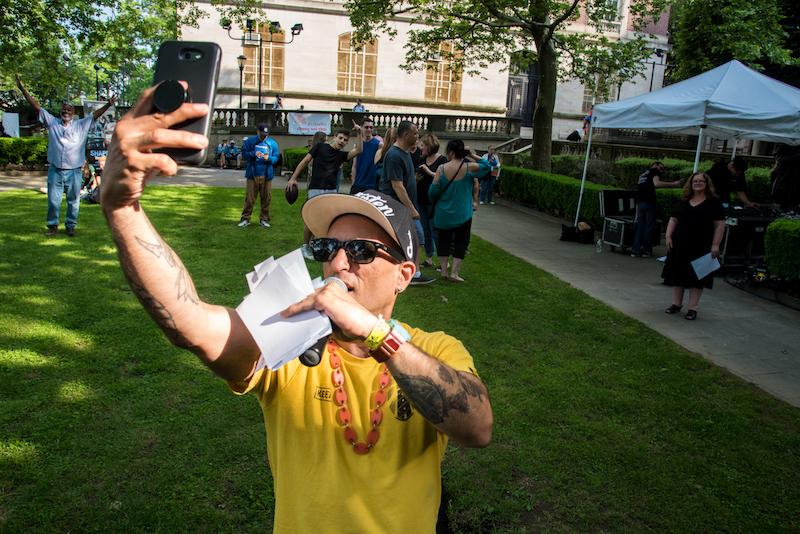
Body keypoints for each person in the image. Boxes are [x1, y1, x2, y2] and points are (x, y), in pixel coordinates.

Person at [98, 85, 493, 533]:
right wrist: (123, 209)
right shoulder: (290, 338)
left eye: (361, 251)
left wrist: (374, 333)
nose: (338, 262)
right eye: (329, 246)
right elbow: (191, 324)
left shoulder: (435, 349)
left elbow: (477, 428)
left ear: (403, 275)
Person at [16, 74, 116, 237]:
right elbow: (36, 106)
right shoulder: (52, 122)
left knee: (73, 201)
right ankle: (53, 226)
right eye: (64, 109)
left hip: (75, 171)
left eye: (69, 110)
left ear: (73, 112)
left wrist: (108, 105)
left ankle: (70, 226)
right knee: (53, 201)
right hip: (55, 170)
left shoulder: (81, 125)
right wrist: (22, 89)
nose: (66, 111)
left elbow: (96, 115)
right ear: (61, 111)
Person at [287, 122, 363, 255]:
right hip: (316, 188)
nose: (342, 141)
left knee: (327, 220)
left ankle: (320, 246)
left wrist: (359, 133)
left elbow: (359, 151)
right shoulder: (320, 147)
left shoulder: (341, 156)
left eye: (345, 140)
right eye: (340, 138)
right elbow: (304, 161)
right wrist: (293, 178)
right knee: (311, 219)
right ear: (334, 136)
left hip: (331, 190)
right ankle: (305, 247)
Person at [661, 172, 726, 321]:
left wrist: (716, 245)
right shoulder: (684, 200)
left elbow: (720, 225)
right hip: (680, 244)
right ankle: (676, 304)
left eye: (701, 181)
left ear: (706, 183)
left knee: (696, 277)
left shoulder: (714, 202)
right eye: (695, 181)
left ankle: (692, 308)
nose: (697, 183)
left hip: (701, 246)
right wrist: (668, 236)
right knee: (678, 273)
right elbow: (673, 219)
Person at [378, 121, 435, 285]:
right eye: (416, 133)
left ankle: (411, 274)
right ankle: (409, 274)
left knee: (415, 238)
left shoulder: (404, 153)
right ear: (406, 135)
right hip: (397, 206)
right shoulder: (395, 155)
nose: (418, 136)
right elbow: (397, 186)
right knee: (413, 237)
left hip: (405, 205)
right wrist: (411, 208)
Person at [429, 140, 482, 282]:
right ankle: (454, 273)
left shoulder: (441, 168)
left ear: (450, 152)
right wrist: (473, 155)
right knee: (461, 242)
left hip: (443, 214)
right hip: (463, 214)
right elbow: (490, 165)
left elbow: (433, 192)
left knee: (443, 242)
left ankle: (444, 272)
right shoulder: (470, 167)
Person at [631, 161, 682, 257]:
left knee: (640, 227)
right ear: (655, 165)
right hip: (650, 203)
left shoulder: (642, 176)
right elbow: (657, 184)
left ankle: (635, 249)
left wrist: (637, 213)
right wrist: (674, 184)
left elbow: (639, 193)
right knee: (649, 227)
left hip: (641, 203)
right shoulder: (654, 171)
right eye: (661, 168)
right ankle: (646, 250)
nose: (661, 171)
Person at [239, 123, 279, 228]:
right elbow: (244, 154)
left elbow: (276, 158)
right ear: (257, 131)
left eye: (265, 135)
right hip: (253, 174)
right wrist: (253, 154)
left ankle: (264, 219)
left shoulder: (272, 143)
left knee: (266, 198)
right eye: (261, 134)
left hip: (266, 175)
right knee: (250, 198)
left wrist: (269, 159)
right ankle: (245, 218)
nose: (263, 137)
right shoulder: (250, 141)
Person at [416, 134, 448, 268]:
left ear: (429, 146)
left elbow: (444, 178)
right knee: (425, 230)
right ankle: (429, 258)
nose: (420, 147)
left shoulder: (442, 160)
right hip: (421, 199)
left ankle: (444, 263)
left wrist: (429, 172)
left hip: (434, 201)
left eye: (423, 145)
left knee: (435, 230)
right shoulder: (421, 158)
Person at [350, 117, 382, 195]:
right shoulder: (357, 145)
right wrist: (353, 183)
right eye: (366, 127)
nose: (369, 130)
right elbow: (354, 166)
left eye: (371, 127)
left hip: (373, 186)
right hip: (358, 185)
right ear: (361, 127)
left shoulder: (379, 144)